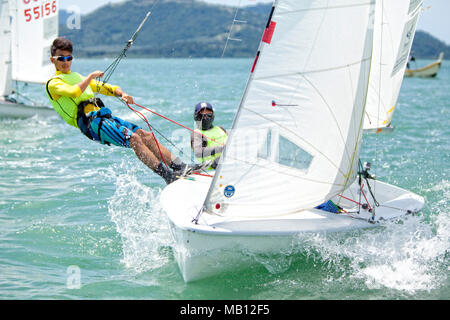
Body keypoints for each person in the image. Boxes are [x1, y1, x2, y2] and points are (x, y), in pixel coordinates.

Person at [45, 37, 205, 184]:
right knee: (134, 139)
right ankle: (168, 176)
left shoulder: (78, 77)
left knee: (147, 136)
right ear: (53, 60)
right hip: (90, 125)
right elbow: (74, 92)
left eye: (69, 58)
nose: (66, 62)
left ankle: (180, 167)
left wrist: (122, 94)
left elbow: (108, 88)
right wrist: (90, 77)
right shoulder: (53, 83)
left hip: (104, 117)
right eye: (61, 59)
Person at [190, 102, 228, 170]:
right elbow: (198, 152)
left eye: (209, 114)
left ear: (213, 115)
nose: (206, 118)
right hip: (211, 171)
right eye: (202, 115)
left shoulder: (221, 129)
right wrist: (222, 148)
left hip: (227, 165)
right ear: (196, 116)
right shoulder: (197, 134)